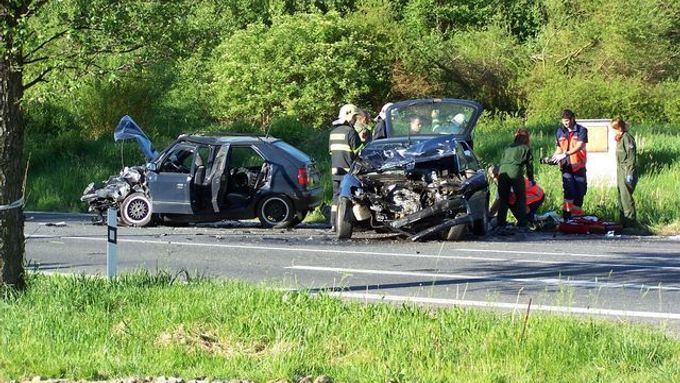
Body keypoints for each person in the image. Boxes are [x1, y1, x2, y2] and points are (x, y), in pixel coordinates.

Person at [329, 103, 361, 231]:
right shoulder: (351, 132)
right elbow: (359, 153)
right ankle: (345, 224)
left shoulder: (333, 133)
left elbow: (331, 152)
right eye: (354, 117)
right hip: (348, 173)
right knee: (348, 198)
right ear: (348, 116)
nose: (354, 120)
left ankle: (333, 223)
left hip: (335, 171)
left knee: (336, 197)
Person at [551, 109, 588, 220]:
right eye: (563, 121)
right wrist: (553, 157)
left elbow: (580, 146)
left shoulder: (581, 130)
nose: (565, 123)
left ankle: (577, 217)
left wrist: (565, 154)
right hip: (566, 166)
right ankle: (567, 217)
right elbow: (559, 148)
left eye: (567, 120)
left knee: (580, 192)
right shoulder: (560, 131)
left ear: (572, 119)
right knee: (569, 192)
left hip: (578, 166)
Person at [497, 129, 534, 231]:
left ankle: (500, 223)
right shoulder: (526, 148)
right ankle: (522, 223)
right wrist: (531, 178)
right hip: (515, 172)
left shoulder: (508, 147)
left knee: (503, 199)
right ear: (526, 138)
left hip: (503, 172)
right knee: (520, 198)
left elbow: (502, 160)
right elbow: (529, 166)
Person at [611, 117, 637, 227]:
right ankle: (622, 223)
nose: (614, 131)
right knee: (621, 196)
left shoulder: (627, 138)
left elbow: (631, 158)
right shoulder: (620, 138)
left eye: (615, 128)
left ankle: (630, 223)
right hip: (620, 169)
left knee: (626, 197)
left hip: (627, 170)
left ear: (620, 127)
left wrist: (630, 174)